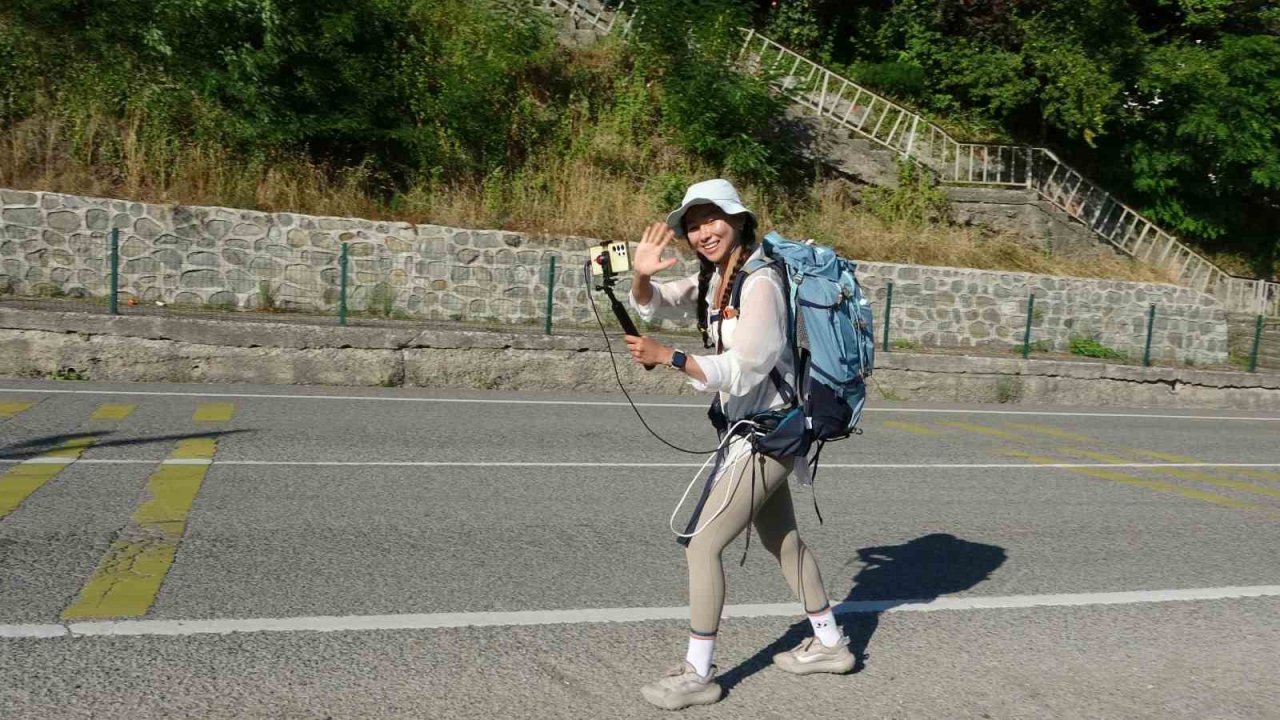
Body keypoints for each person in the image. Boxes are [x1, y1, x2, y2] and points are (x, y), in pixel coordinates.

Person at [625, 179, 854, 711]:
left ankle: (698, 673)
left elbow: (747, 365)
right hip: (751, 430)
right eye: (693, 224)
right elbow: (657, 305)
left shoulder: (760, 282)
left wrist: (671, 358)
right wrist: (640, 275)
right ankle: (830, 644)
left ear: (739, 220)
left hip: (770, 433)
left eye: (713, 219)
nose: (703, 232)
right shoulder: (717, 279)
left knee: (702, 544)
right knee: (783, 541)